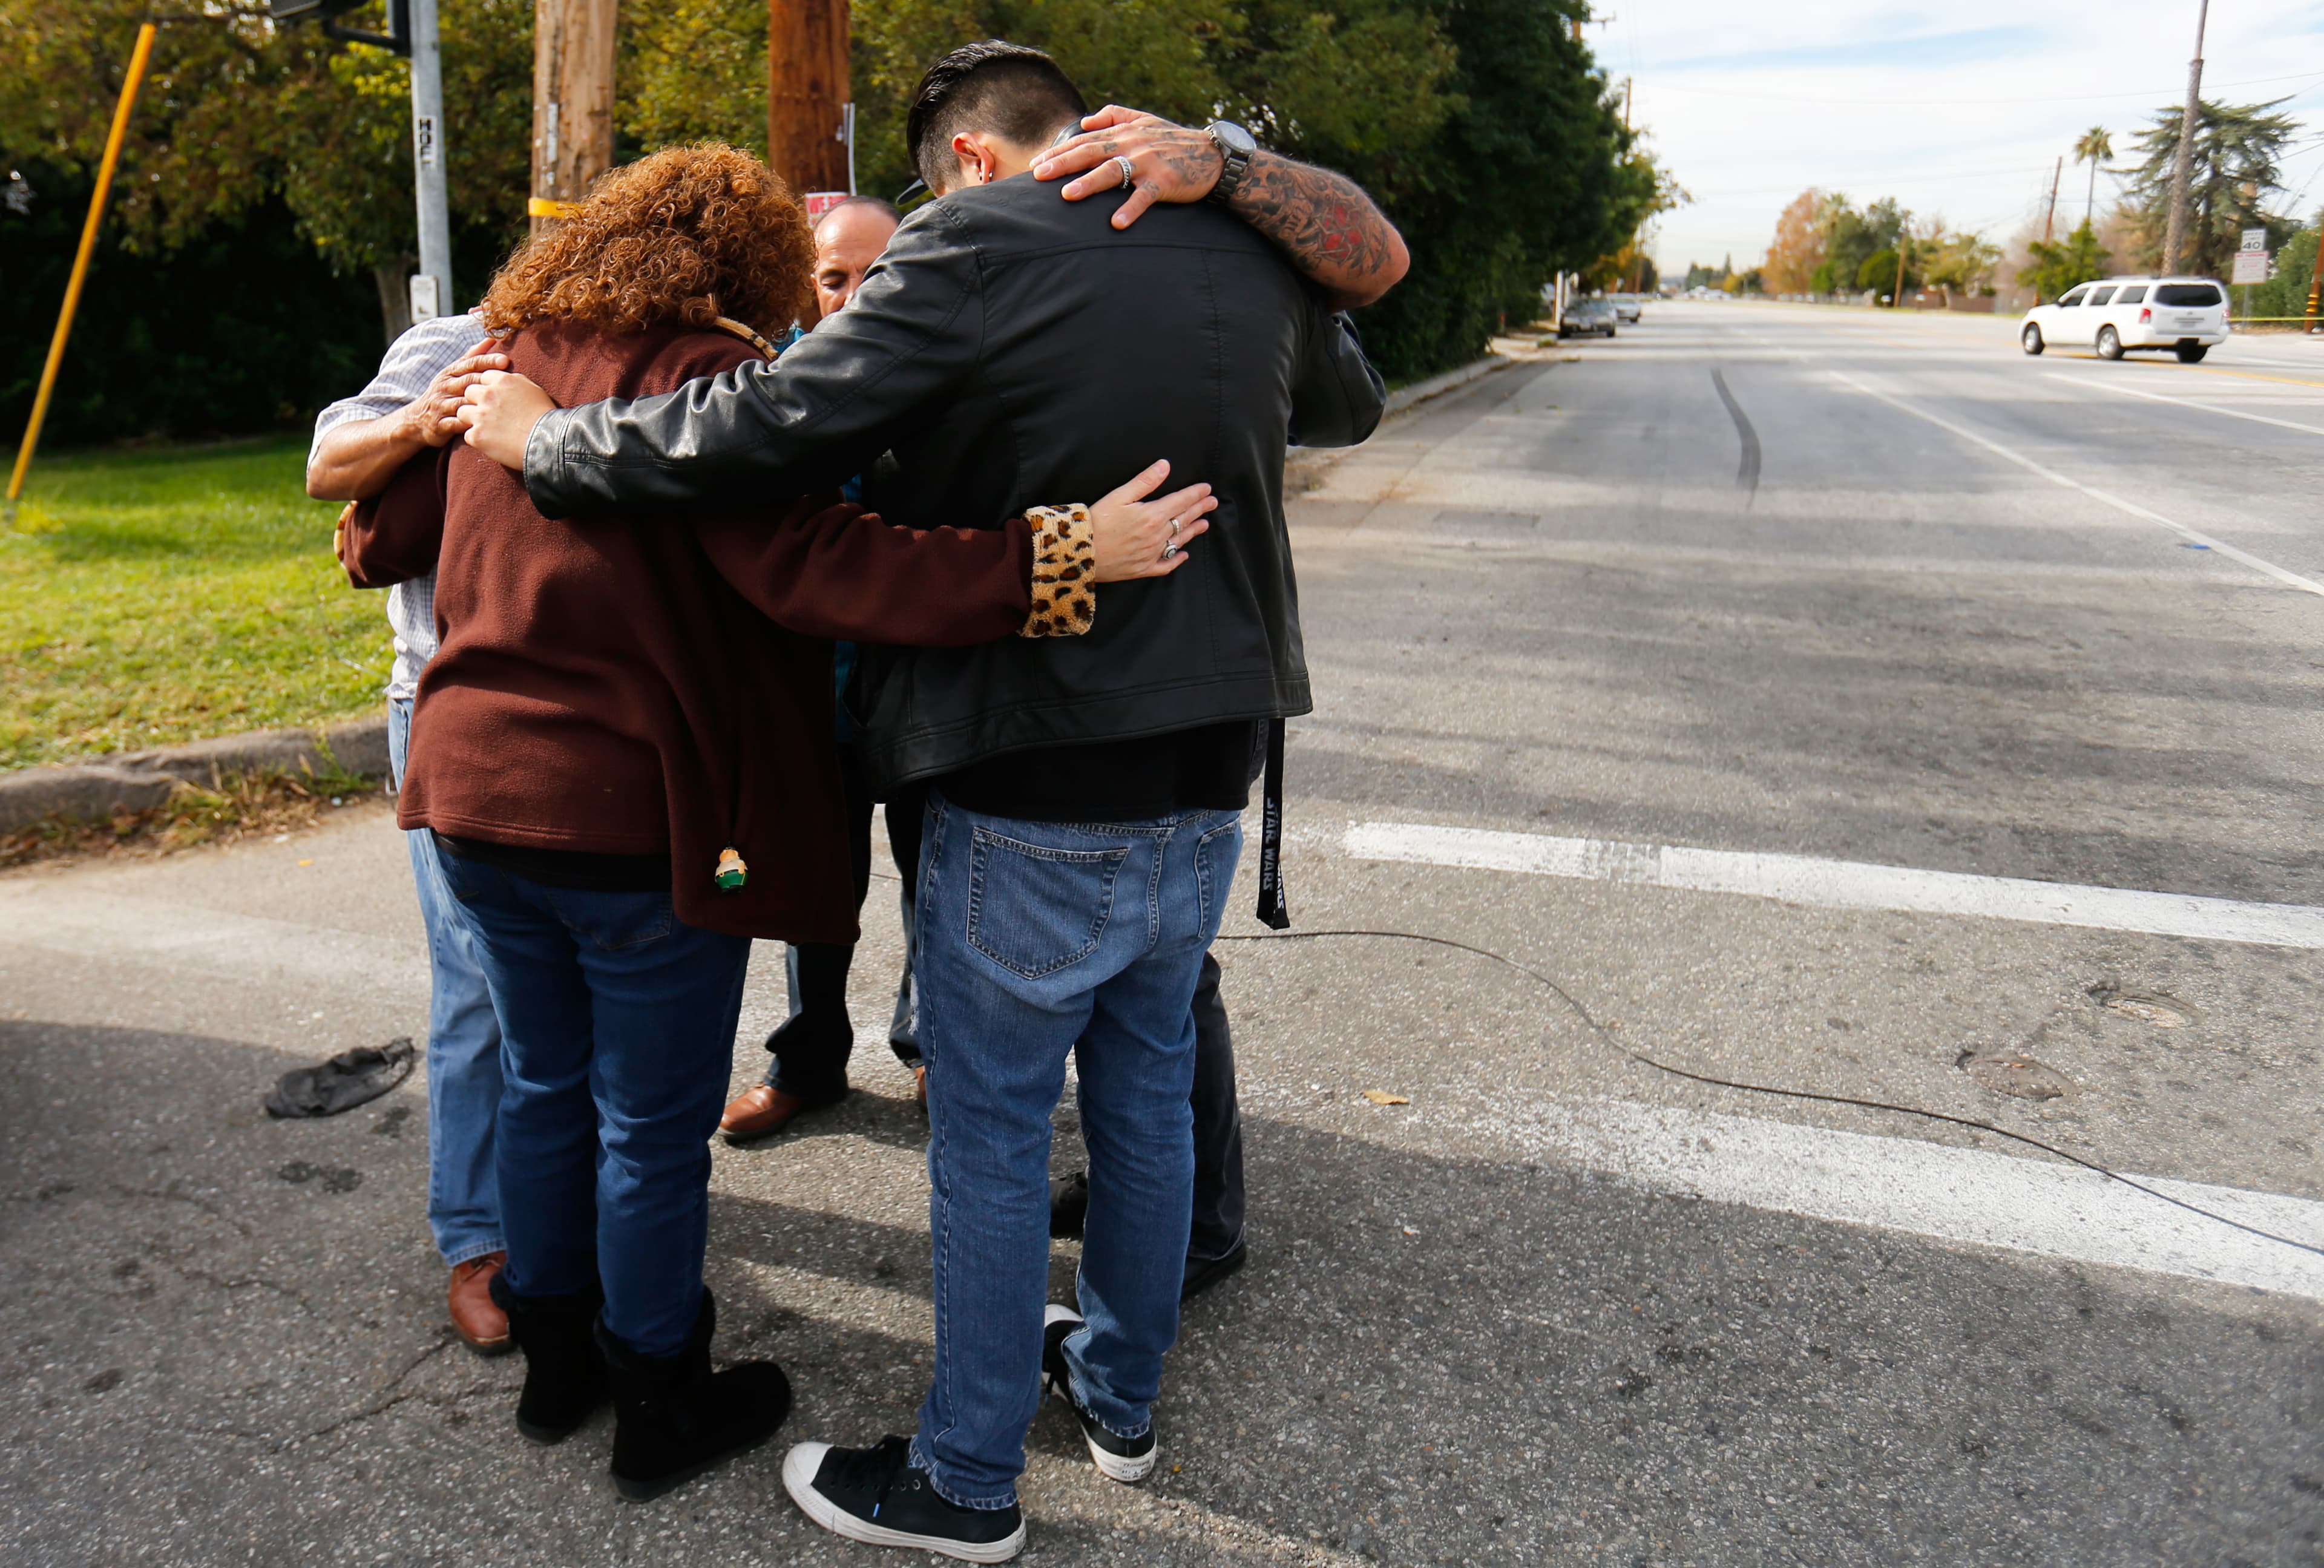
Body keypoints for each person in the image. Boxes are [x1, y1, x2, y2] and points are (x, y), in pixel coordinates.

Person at [459, 42, 1400, 1560]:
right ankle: (1119, 1399)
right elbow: (1346, 403)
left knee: (988, 1129)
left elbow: (763, 434)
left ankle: (964, 1483)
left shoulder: (970, 241)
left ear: (962, 160)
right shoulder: (1238, 234)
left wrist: (547, 443)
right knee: (1147, 1093)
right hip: (1216, 752)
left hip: (1031, 753)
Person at [349, 142, 1215, 1504]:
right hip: (630, 814)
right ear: (749, 267)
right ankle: (654, 1396)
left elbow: (371, 540)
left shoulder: (504, 355)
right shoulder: (706, 382)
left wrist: (430, 429)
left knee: (539, 1081)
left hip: (465, 793)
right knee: (646, 1119)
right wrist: (1052, 559)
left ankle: (555, 1364)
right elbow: (819, 566)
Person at [306, 318, 515, 1354]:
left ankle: (574, 1210)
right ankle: (476, 1236)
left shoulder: (651, 351)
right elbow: (326, 466)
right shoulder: (454, 343)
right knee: (475, 981)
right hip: (439, 699)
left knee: (574, 984)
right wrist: (424, 421)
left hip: (577, 723)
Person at [718, 194, 931, 1144]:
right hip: (814, 700)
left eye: (873, 278)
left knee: (942, 883)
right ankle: (808, 1059)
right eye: (832, 277)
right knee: (815, 893)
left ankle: (935, 1053)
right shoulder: (770, 384)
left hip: (929, 690)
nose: (850, 299)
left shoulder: (950, 377)